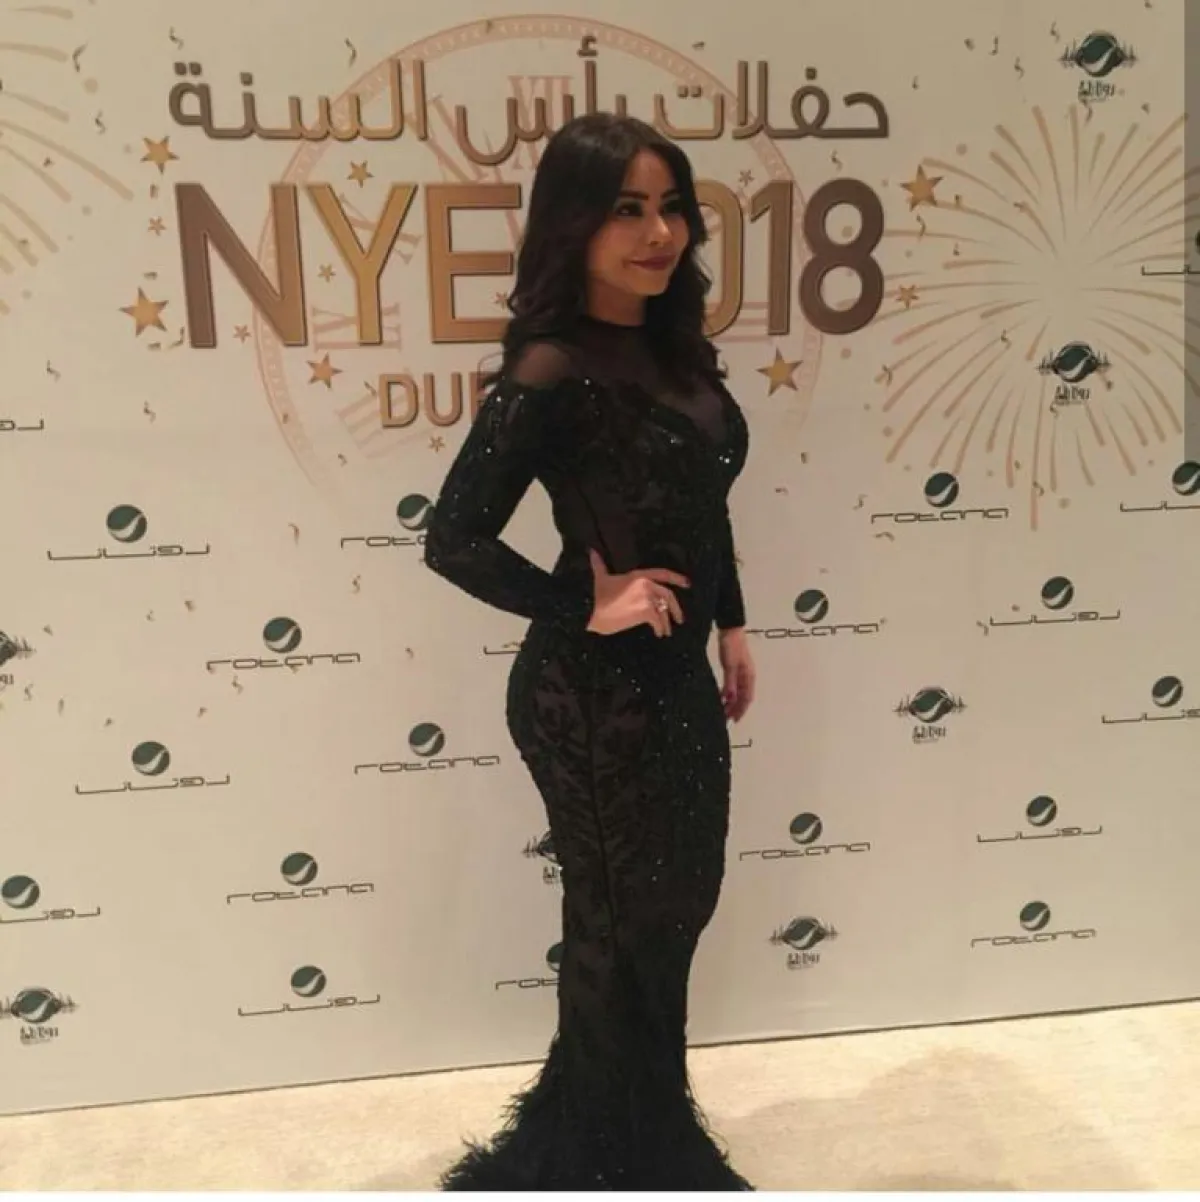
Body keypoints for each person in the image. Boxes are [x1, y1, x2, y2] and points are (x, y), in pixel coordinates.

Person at [422, 111, 757, 1192]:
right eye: (627, 209)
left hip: (676, 679)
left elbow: (701, 509)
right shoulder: (552, 367)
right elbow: (454, 536)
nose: (659, 233)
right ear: (574, 223)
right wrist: (584, 604)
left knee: (676, 910)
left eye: (672, 208)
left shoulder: (675, 351)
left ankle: (626, 1131)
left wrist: (733, 620)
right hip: (589, 693)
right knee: (618, 926)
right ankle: (607, 1163)